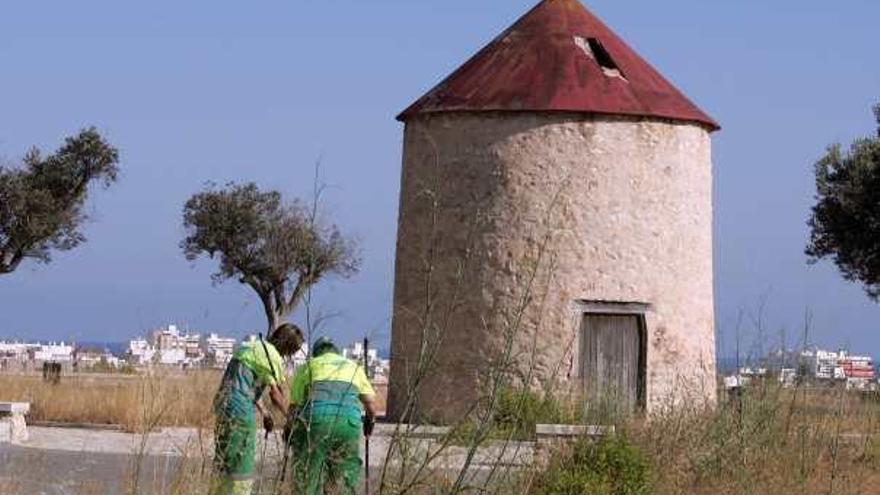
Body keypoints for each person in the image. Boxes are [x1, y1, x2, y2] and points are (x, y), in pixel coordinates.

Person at [211, 323, 304, 495]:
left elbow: (247, 384)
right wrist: (292, 418)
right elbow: (276, 396)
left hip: (223, 408)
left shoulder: (249, 347)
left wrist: (265, 413)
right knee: (241, 467)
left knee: (223, 463)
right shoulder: (273, 358)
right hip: (240, 414)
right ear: (288, 348)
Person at [286, 337, 378, 495]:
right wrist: (370, 422)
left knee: (308, 477)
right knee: (344, 479)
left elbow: (294, 407)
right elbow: (370, 404)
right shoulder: (353, 367)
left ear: (316, 353)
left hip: (316, 422)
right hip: (348, 425)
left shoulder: (308, 366)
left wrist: (289, 430)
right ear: (335, 351)